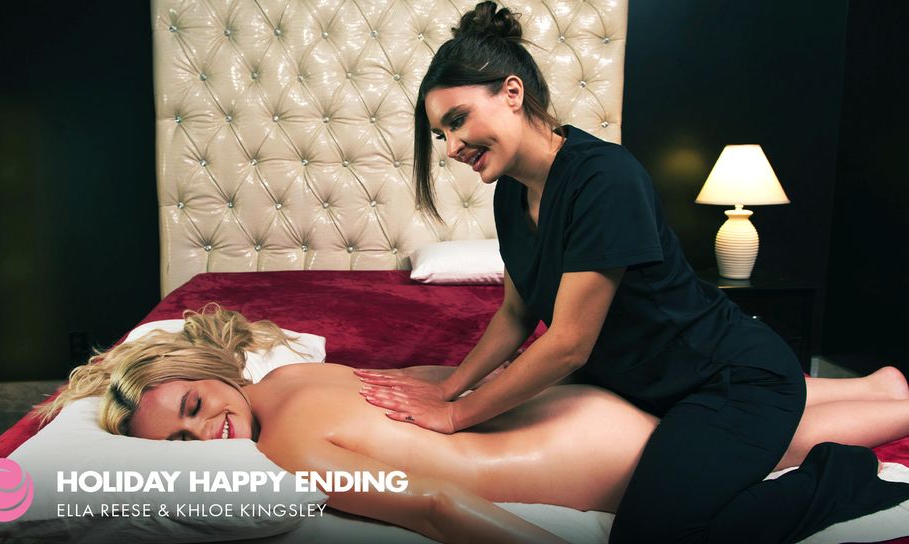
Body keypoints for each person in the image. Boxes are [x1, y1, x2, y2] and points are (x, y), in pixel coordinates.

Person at [354, 2, 909, 542]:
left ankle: (839, 478)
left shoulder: (604, 178)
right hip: (647, 383)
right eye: (441, 135)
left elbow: (568, 345)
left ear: (512, 93)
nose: (451, 148)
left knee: (652, 533)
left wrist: (456, 417)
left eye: (457, 121)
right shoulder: (510, 195)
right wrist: (450, 387)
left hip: (729, 379)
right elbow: (516, 314)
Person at [39, 306, 909, 544]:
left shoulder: (291, 446)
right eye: (180, 445)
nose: (206, 437)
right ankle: (884, 384)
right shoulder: (297, 381)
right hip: (583, 413)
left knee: (793, 437)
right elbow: (430, 390)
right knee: (800, 405)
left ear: (206, 375)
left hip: (598, 449)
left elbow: (436, 509)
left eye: (194, 409)